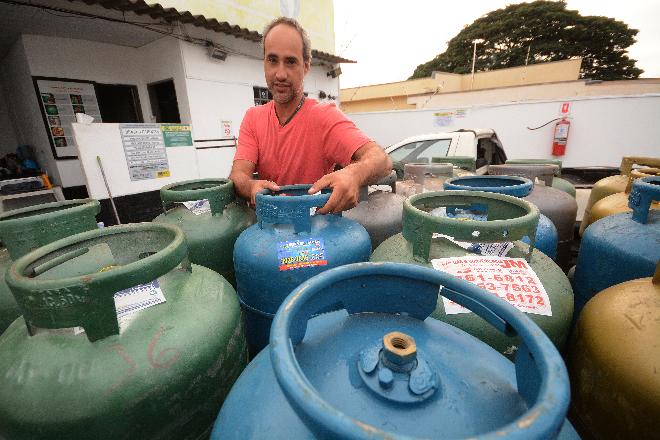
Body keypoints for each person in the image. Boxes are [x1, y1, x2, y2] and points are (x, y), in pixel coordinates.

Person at [229, 17, 392, 214]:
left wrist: (353, 174)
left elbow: (381, 160)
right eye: (273, 60)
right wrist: (250, 187)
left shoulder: (323, 117)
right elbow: (238, 175)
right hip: (270, 230)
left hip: (318, 229)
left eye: (290, 62)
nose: (280, 74)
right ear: (264, 62)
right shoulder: (253, 118)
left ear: (306, 66)